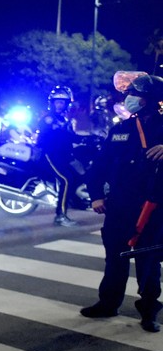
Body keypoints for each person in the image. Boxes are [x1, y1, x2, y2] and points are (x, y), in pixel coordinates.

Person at [80, 71, 163, 333]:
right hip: (119, 205)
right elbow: (101, 164)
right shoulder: (121, 128)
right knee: (114, 258)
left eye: (136, 95)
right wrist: (96, 195)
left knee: (148, 263)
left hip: (151, 208)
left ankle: (149, 311)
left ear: (150, 99)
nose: (129, 98)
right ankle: (108, 303)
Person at [35, 85, 80, 227]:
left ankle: (71, 202)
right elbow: (47, 138)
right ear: (52, 103)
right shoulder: (48, 119)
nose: (60, 105)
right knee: (66, 180)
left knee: (77, 175)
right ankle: (60, 215)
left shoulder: (64, 120)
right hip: (49, 155)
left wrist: (89, 138)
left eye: (63, 102)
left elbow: (71, 137)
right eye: (57, 102)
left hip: (62, 156)